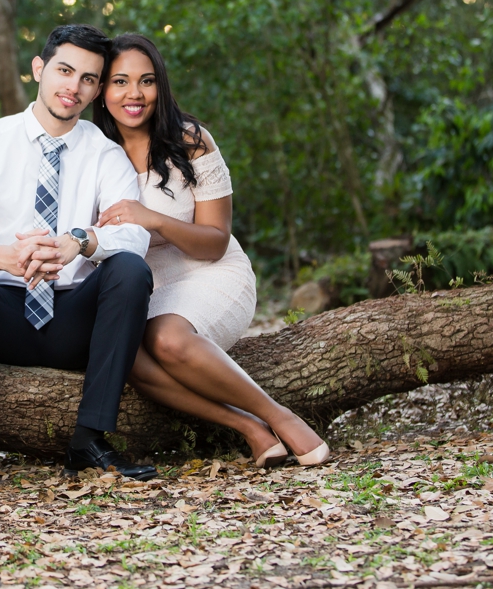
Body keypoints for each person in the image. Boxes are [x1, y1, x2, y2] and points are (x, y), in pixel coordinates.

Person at [0, 24, 159, 489]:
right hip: (0, 314)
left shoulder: (106, 156)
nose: (74, 87)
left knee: (129, 269)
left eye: (89, 78)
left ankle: (89, 441)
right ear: (39, 69)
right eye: (65, 71)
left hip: (74, 320)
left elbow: (133, 237)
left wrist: (78, 241)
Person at [92, 33, 329, 468]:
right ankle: (250, 429)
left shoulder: (191, 140)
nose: (134, 94)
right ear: (101, 89)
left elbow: (216, 240)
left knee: (165, 337)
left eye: (146, 81)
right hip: (141, 286)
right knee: (127, 357)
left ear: (160, 86)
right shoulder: (91, 153)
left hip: (212, 273)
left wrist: (155, 218)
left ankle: (281, 416)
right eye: (120, 81)